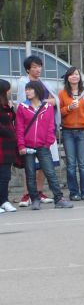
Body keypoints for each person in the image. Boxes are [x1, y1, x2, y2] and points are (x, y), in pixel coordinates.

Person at [15, 81, 72, 210]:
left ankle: (59, 199)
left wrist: (48, 142)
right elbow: (19, 128)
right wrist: (21, 146)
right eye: (26, 89)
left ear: (37, 91)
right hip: (27, 146)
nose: (27, 92)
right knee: (30, 174)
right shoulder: (22, 107)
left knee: (50, 172)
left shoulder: (47, 107)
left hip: (43, 146)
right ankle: (35, 199)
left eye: (30, 89)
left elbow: (51, 126)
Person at [15, 56, 57, 206]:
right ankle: (27, 194)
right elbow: (21, 104)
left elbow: (54, 100)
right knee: (29, 166)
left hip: (44, 130)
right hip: (29, 131)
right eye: (34, 67)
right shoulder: (23, 83)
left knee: (44, 165)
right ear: (28, 69)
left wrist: (44, 102)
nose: (38, 69)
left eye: (39, 66)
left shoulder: (45, 83)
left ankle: (39, 191)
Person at [58, 67, 84, 201]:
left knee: (83, 164)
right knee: (70, 164)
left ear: (80, 77)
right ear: (67, 78)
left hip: (83, 131)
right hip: (67, 131)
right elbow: (58, 113)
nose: (74, 76)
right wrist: (68, 108)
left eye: (76, 74)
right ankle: (73, 192)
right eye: (71, 74)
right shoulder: (62, 93)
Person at [0, 80, 18, 214]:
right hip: (2, 143)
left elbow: (11, 119)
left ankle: (4, 201)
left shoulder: (6, 105)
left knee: (5, 175)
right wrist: (10, 133)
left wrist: (11, 109)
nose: (10, 91)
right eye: (8, 89)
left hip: (7, 146)